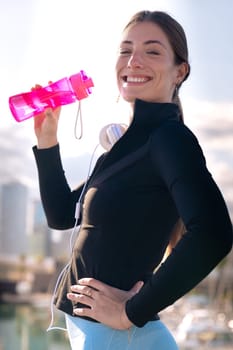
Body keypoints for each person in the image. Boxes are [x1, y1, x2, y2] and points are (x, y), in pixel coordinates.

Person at [32, 10, 233, 350]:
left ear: (179, 71)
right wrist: (47, 139)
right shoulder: (125, 147)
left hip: (118, 337)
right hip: (101, 335)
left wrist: (130, 312)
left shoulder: (169, 138)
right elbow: (62, 215)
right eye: (126, 50)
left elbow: (214, 233)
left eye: (152, 51)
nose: (134, 61)